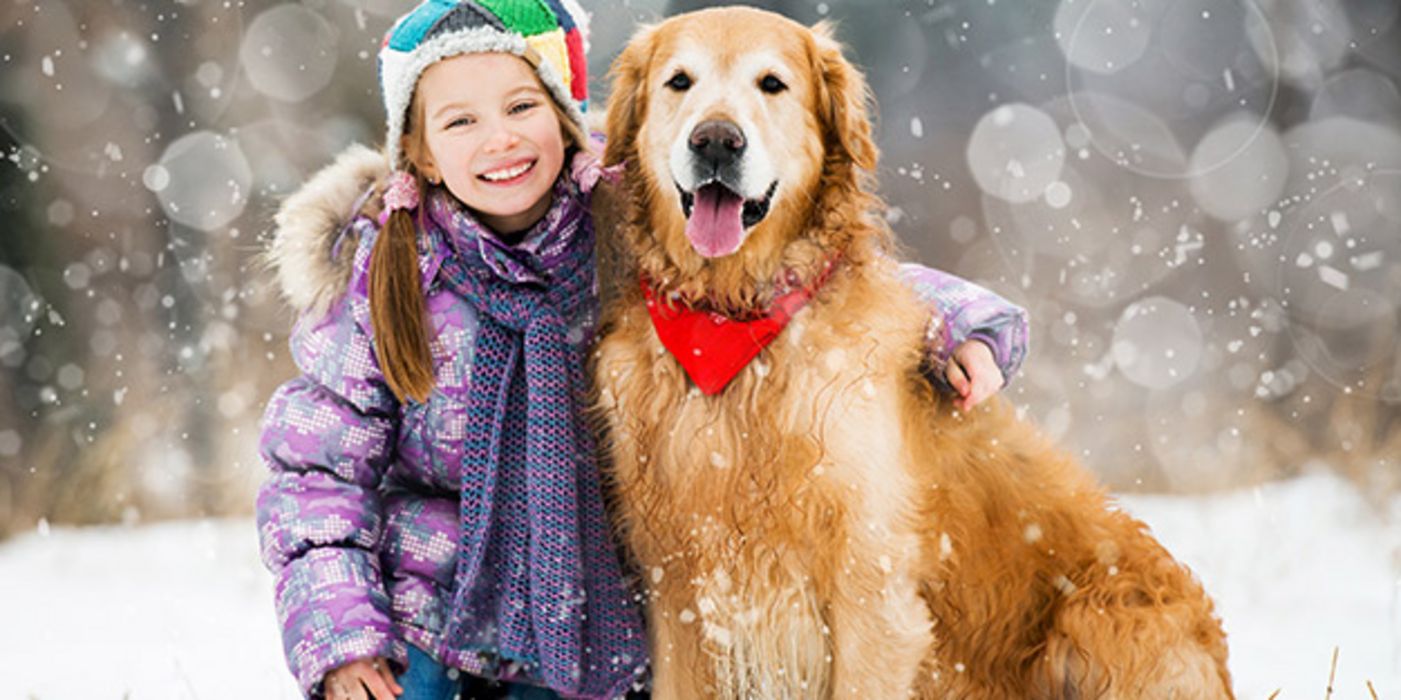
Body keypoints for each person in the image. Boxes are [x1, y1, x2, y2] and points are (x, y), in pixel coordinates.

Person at [255, 1, 1030, 699]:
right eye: (459, 123)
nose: (498, 139)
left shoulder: (630, 229)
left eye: (522, 106)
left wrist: (963, 324)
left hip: (576, 633)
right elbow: (316, 474)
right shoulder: (387, 275)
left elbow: (837, 272)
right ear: (418, 156)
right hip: (422, 616)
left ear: (570, 123)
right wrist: (342, 636)